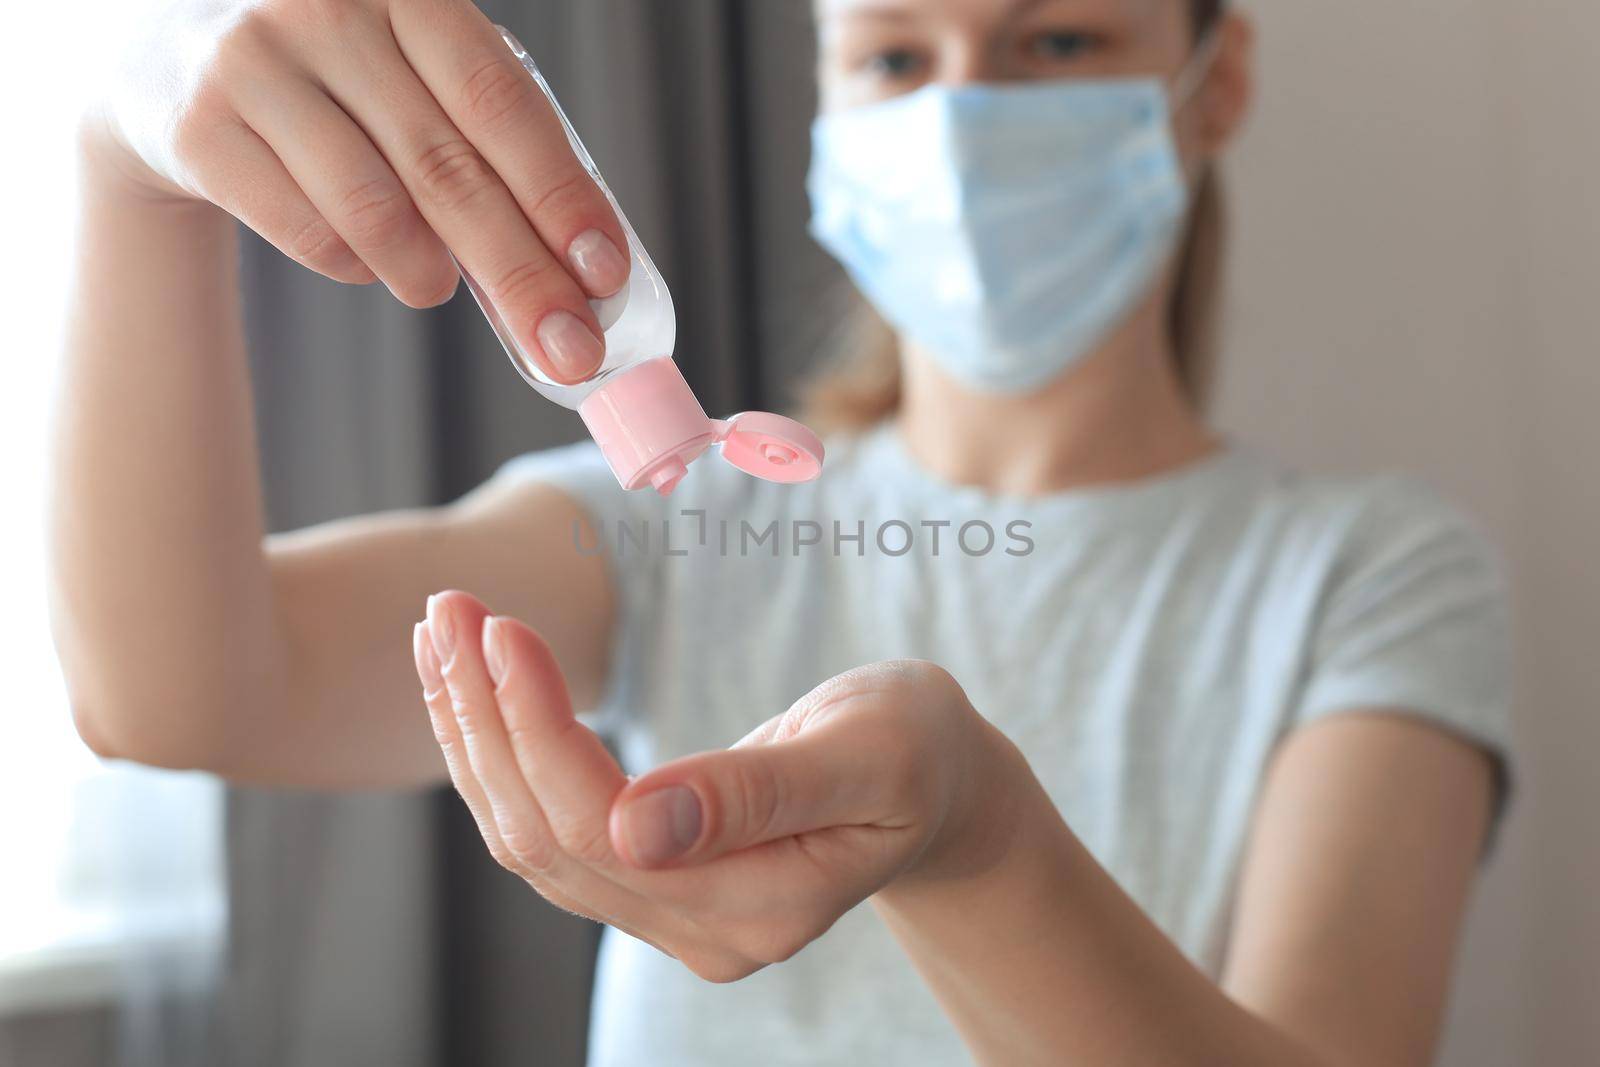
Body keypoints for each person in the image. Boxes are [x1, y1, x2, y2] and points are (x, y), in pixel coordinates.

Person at [52, 0, 1513, 1064]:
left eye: (1056, 43)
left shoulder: (1367, 578)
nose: (961, 116)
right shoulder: (682, 519)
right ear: (822, 102)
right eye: (893, 56)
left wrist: (977, 843)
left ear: (1213, 81)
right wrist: (127, 161)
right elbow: (174, 690)